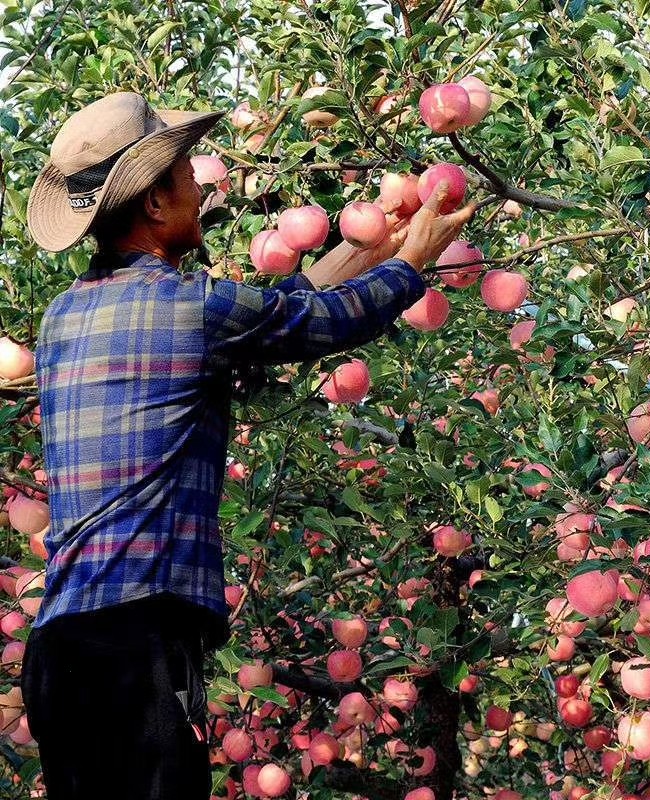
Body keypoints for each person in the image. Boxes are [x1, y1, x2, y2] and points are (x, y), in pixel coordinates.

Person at [20, 91, 474, 800]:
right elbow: (327, 322)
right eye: (184, 178)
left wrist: (366, 248)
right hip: (134, 651)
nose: (199, 188)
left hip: (62, 650)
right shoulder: (191, 307)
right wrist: (411, 261)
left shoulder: (63, 316)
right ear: (153, 206)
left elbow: (284, 310)